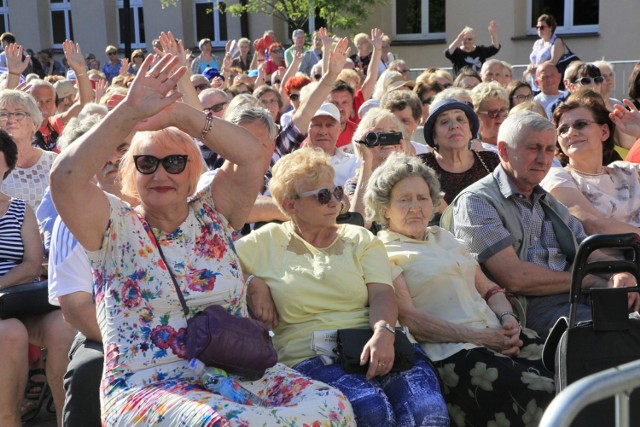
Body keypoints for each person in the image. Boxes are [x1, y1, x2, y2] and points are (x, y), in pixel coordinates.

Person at [50, 53, 355, 426]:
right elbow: (65, 178)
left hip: (237, 372)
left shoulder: (213, 213)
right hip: (149, 386)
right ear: (132, 172)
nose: (161, 173)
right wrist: (129, 113)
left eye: (175, 162)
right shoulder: (113, 226)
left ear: (193, 171)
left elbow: (252, 154)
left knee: (333, 404)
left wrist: (182, 116)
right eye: (147, 163)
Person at [235, 147, 449, 427]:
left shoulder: (358, 237)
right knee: (372, 411)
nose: (334, 202)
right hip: (308, 353)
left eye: (336, 192)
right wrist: (252, 283)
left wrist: (383, 331)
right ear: (290, 205)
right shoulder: (263, 243)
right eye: (322, 196)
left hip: (374, 340)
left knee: (427, 412)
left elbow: (382, 292)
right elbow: (212, 269)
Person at [365, 153, 555, 427]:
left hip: (499, 336)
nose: (415, 207)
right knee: (544, 393)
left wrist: (508, 319)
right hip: (456, 354)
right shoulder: (383, 251)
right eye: (404, 200)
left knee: (571, 369)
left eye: (422, 198)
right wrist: (481, 337)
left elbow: (489, 288)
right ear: (385, 209)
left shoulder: (445, 237)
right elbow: (410, 319)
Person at [441, 110, 639, 338]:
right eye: (533, 148)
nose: (543, 159)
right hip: (527, 308)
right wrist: (589, 281)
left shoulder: (547, 200)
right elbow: (516, 278)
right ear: (504, 151)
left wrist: (620, 273)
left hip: (577, 297)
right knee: (614, 337)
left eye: (548, 149)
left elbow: (588, 249)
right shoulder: (476, 201)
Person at [0, 129, 75, 427]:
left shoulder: (20, 208)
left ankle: (66, 420)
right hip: (9, 315)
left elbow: (32, 264)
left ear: (7, 164)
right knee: (10, 333)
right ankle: (9, 420)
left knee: (63, 327)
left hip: (17, 296)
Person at [540, 96, 640, 235]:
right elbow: (595, 226)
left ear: (604, 132)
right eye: (563, 130)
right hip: (612, 256)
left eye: (580, 124)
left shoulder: (627, 170)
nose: (571, 133)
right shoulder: (557, 177)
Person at [419, 98, 499, 205]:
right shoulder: (421, 166)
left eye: (460, 119)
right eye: (444, 122)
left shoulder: (490, 161)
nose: (454, 126)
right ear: (434, 137)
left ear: (471, 132)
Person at [0, 89, 57, 212]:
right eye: (3, 114)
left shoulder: (53, 162)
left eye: (19, 113)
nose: (11, 119)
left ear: (34, 124)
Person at [526, 14, 565, 92]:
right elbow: (534, 60)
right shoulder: (537, 43)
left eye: (542, 27)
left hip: (548, 81)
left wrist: (537, 68)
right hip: (535, 82)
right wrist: (530, 67)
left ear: (550, 28)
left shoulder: (556, 41)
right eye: (537, 27)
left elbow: (553, 61)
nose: (539, 30)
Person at [471, 81, 509, 152]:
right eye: (493, 112)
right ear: (476, 116)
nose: (500, 116)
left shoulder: (515, 144)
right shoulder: (473, 150)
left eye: (503, 110)